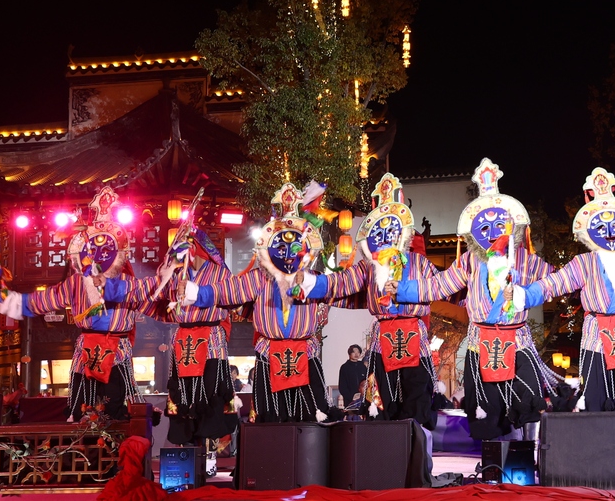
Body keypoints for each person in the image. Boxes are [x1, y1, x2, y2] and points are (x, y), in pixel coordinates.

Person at [386, 159, 559, 441]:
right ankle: (492, 464)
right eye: (484, 225)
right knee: (486, 408)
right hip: (481, 342)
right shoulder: (468, 262)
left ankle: (528, 455)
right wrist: (402, 289)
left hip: (516, 340)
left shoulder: (524, 259)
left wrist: (530, 293)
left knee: (526, 401)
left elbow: (554, 280)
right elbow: (439, 285)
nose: (491, 232)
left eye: (498, 223)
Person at [507, 168, 615, 413]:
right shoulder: (583, 263)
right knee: (597, 398)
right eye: (601, 226)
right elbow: (553, 283)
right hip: (596, 336)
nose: (609, 232)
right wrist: (524, 295)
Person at [0, 187, 160, 421]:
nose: (101, 255)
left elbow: (157, 304)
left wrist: (183, 299)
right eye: (95, 250)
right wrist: (11, 299)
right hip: (86, 349)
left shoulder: (129, 284)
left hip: (117, 350)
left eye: (107, 249)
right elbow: (42, 301)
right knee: (81, 408)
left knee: (116, 409)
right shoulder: (76, 283)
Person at [178, 182, 340, 423]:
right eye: (280, 246)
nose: (287, 253)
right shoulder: (258, 279)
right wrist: (195, 292)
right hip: (269, 353)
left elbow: (346, 286)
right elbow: (226, 292)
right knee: (271, 422)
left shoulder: (314, 281)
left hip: (304, 352)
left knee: (311, 421)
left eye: (294, 247)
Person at [102, 201, 240, 476]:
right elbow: (163, 307)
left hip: (210, 340)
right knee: (182, 394)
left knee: (212, 394)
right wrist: (140, 304)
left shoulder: (220, 273)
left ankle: (210, 455)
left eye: (184, 247)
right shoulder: (177, 274)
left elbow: (231, 301)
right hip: (184, 341)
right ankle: (185, 455)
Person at [302, 174, 441, 430]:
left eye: (392, 228)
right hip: (383, 337)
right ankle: (388, 457)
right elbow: (341, 283)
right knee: (386, 399)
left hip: (413, 333)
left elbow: (444, 287)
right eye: (379, 229)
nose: (386, 235)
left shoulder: (419, 263)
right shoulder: (368, 266)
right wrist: (312, 283)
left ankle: (418, 457)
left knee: (417, 395)